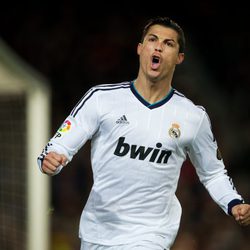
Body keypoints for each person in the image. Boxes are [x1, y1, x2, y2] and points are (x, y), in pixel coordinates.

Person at [37, 16, 250, 250]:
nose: (158, 46)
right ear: (140, 49)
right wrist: (50, 160)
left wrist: (233, 202)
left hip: (151, 235)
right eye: (152, 39)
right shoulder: (101, 99)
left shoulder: (192, 117)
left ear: (179, 58)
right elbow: (59, 146)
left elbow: (213, 173)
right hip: (98, 233)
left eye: (168, 43)